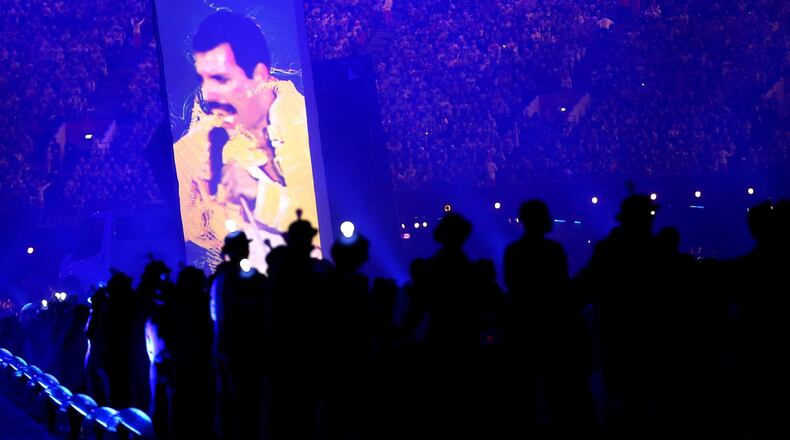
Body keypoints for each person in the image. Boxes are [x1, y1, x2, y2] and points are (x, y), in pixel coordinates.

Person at [173, 10, 320, 273]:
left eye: (220, 79)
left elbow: (315, 222)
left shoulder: (306, 124)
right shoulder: (193, 149)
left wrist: (256, 192)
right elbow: (188, 230)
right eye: (202, 80)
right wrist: (201, 201)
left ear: (260, 76)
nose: (207, 93)